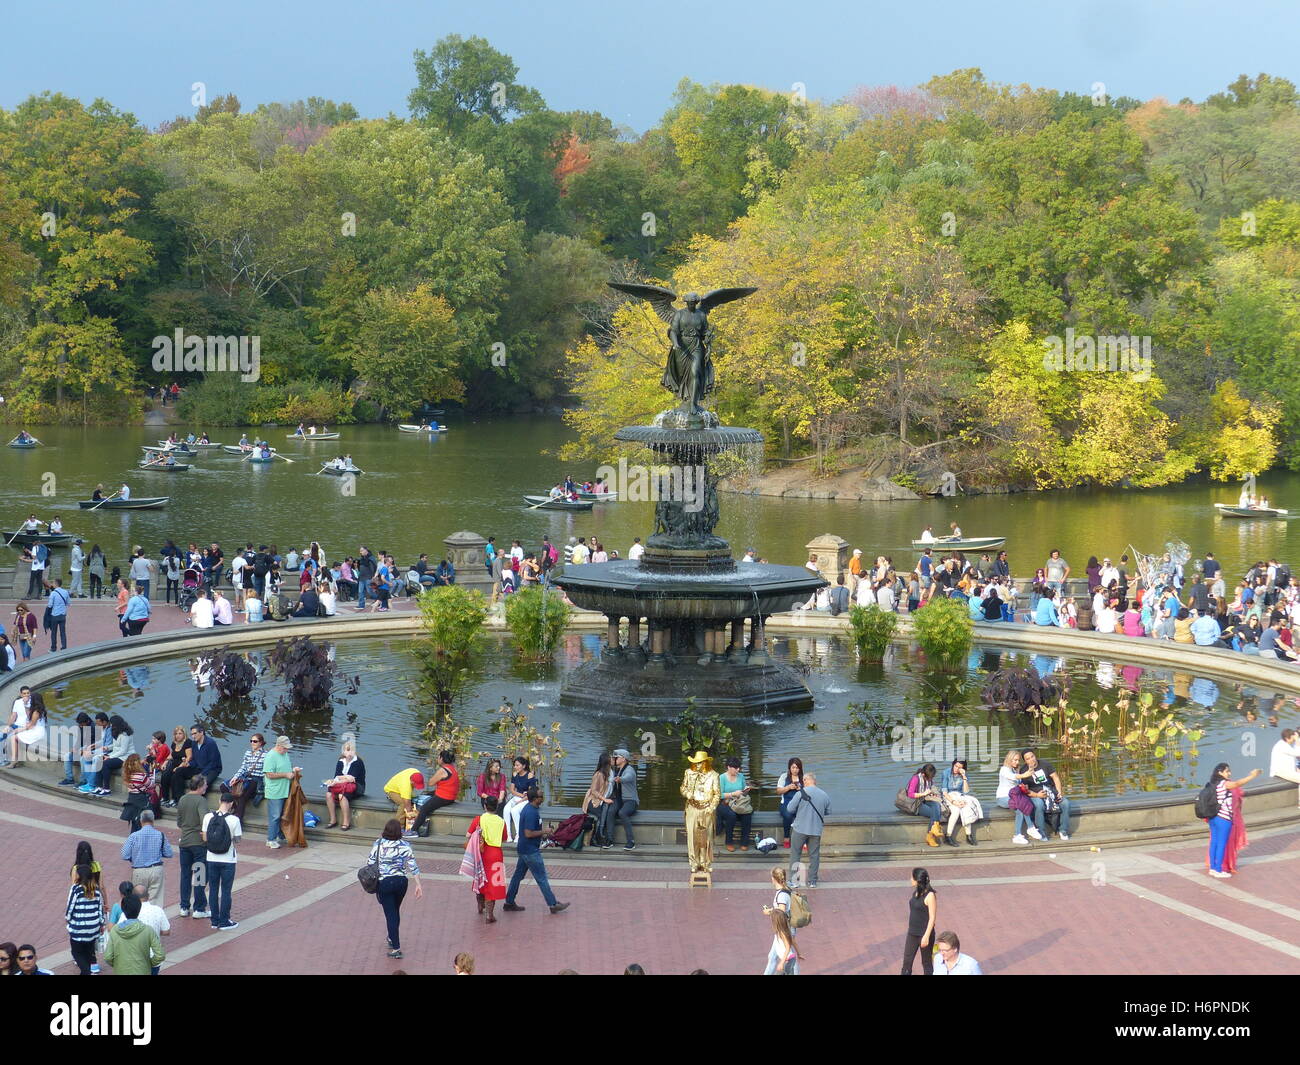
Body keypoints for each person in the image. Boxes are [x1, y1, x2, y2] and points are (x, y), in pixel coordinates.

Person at [502, 787, 570, 915]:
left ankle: (509, 902)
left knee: (518, 877)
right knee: (541, 877)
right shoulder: (531, 812)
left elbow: (531, 831)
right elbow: (528, 833)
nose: (542, 798)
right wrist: (545, 831)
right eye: (540, 796)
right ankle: (553, 904)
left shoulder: (531, 809)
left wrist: (543, 833)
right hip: (530, 851)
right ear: (535, 799)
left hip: (524, 849)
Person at [369, 819, 423, 959]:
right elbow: (412, 866)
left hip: (384, 882)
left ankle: (396, 947)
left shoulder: (378, 844)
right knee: (395, 910)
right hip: (401, 882)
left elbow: (370, 862)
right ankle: (392, 937)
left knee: (390, 914)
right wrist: (418, 884)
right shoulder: (405, 845)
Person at [1205, 762, 1260, 878]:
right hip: (1223, 818)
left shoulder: (1212, 784)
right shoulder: (1224, 783)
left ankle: (1213, 868)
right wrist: (1252, 776)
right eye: (1227, 771)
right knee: (1221, 844)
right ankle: (1219, 869)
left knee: (1214, 843)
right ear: (1220, 772)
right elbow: (1237, 783)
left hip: (1213, 818)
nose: (1229, 773)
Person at [202, 790, 242, 929]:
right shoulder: (234, 820)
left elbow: (205, 838)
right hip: (228, 860)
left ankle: (214, 920)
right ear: (231, 804)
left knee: (213, 889)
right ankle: (225, 921)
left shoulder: (208, 817)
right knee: (226, 890)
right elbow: (237, 840)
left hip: (211, 857)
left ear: (220, 801)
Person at [465, 796, 507, 923]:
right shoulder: (501, 821)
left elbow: (468, 835)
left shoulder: (479, 819)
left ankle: (480, 904)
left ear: (484, 806)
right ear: (497, 807)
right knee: (493, 882)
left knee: (480, 877)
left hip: (481, 853)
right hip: (496, 853)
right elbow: (504, 838)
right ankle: (489, 915)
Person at [103, 892, 166, 975]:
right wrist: (148, 964)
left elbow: (108, 957)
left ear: (123, 909)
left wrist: (118, 965)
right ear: (139, 908)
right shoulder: (147, 930)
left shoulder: (115, 931)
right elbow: (160, 955)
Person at [175, 775, 211, 920]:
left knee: (185, 875)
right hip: (198, 844)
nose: (207, 787)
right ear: (200, 785)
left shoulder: (183, 799)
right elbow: (205, 821)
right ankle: (199, 908)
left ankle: (184, 907)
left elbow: (179, 822)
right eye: (206, 785)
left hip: (184, 843)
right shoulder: (201, 801)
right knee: (199, 876)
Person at [786, 771, 830, 887]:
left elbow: (790, 809)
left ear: (806, 780)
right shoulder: (824, 795)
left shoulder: (801, 793)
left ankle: (794, 881)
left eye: (803, 780)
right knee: (814, 856)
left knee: (796, 854)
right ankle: (812, 881)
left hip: (800, 828)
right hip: (816, 830)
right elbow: (828, 812)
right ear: (815, 781)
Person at [681, 751, 721, 875]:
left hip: (707, 809)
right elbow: (683, 787)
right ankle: (694, 863)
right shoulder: (688, 773)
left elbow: (717, 794)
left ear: (705, 762)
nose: (697, 765)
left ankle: (705, 863)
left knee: (706, 838)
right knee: (692, 837)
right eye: (695, 763)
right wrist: (688, 794)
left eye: (699, 763)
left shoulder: (714, 775)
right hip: (692, 808)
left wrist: (712, 807)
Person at [121, 810, 173, 905]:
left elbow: (124, 855)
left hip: (139, 870)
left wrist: (134, 857)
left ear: (141, 821)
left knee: (138, 900)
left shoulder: (134, 836)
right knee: (156, 901)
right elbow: (169, 853)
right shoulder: (160, 835)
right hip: (156, 869)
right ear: (153, 820)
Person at [1022, 749, 1073, 841]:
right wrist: (1037, 795)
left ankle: (1063, 830)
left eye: (1032, 756)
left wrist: (1059, 792)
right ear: (1025, 761)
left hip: (1050, 792)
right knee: (1039, 804)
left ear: (1035, 756)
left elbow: (1056, 778)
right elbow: (1025, 790)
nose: (1031, 760)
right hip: (1035, 794)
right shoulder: (1023, 770)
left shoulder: (1045, 764)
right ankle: (1041, 831)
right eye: (1028, 759)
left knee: (1065, 803)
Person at [65, 864, 105, 975]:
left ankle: (86, 972)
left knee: (76, 953)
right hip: (93, 929)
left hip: (78, 929)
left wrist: (67, 919)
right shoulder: (96, 890)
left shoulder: (76, 889)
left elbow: (70, 907)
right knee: (88, 953)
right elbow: (100, 908)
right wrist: (101, 923)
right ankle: (86, 971)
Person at [408, 749, 459, 838]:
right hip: (451, 796)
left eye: (438, 757)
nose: (437, 759)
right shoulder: (452, 768)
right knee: (427, 794)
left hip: (444, 797)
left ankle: (413, 831)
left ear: (441, 759)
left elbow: (431, 783)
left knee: (424, 809)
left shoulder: (442, 770)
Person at [996, 750, 1042, 845]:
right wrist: (1025, 774)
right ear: (1009, 759)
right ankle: (1030, 827)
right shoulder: (1004, 769)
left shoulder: (1014, 769)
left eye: (1018, 760)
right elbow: (1013, 777)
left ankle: (1018, 835)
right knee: (1020, 804)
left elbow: (1018, 782)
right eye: (1015, 760)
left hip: (1015, 797)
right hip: (1003, 798)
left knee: (1021, 807)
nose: (1017, 762)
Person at [262, 735, 298, 848]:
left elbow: (285, 768)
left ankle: (281, 836)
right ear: (278, 745)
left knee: (283, 814)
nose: (286, 750)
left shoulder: (285, 754)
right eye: (285, 748)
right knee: (275, 816)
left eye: (287, 748)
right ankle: (270, 839)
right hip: (275, 791)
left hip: (284, 789)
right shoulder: (271, 756)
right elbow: (269, 774)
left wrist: (293, 770)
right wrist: (285, 775)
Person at [901, 867, 938, 975]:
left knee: (926, 963)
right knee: (907, 963)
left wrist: (926, 936)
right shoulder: (916, 892)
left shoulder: (930, 895)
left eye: (911, 877)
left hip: (924, 934)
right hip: (912, 933)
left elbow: (932, 917)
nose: (910, 879)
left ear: (917, 879)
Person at [940, 758, 983, 846]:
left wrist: (964, 777)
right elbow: (944, 792)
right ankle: (948, 836)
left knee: (966, 808)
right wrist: (954, 802)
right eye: (955, 766)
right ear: (953, 764)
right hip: (948, 796)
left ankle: (968, 835)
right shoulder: (946, 772)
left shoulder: (963, 775)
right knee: (956, 811)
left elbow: (966, 791)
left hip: (960, 796)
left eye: (959, 767)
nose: (956, 769)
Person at [324, 739, 365, 830]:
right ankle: (333, 819)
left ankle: (346, 822)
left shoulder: (358, 762)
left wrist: (340, 778)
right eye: (347, 750)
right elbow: (337, 776)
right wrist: (340, 779)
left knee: (342, 796)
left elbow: (352, 779)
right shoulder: (340, 761)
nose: (350, 752)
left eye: (352, 750)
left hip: (357, 786)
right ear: (343, 751)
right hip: (342, 785)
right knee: (328, 794)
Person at [902, 763, 945, 846]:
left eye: (932, 777)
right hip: (916, 803)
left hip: (925, 799)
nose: (930, 779)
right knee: (935, 813)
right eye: (929, 778)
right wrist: (924, 793)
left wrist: (932, 794)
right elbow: (910, 794)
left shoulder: (929, 779)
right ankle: (931, 835)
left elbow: (929, 789)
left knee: (936, 805)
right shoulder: (916, 779)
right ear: (923, 774)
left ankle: (933, 830)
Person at [718, 756, 754, 851]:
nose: (738, 770)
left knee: (747, 814)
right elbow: (719, 795)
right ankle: (729, 842)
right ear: (729, 767)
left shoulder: (741, 776)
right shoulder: (722, 777)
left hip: (738, 802)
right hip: (725, 803)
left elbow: (743, 791)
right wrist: (732, 794)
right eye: (735, 768)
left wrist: (746, 790)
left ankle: (744, 842)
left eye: (739, 768)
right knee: (731, 815)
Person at [4, 689, 47, 766]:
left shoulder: (37, 711)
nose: (29, 698)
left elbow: (31, 725)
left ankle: (14, 760)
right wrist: (25, 704)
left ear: (34, 700)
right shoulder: (38, 709)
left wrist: (19, 729)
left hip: (37, 732)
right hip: (35, 729)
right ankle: (13, 759)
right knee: (13, 735)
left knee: (14, 737)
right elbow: (29, 718)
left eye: (31, 698)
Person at [580, 753, 614, 848]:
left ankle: (599, 836)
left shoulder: (611, 772)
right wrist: (605, 799)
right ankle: (595, 838)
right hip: (593, 801)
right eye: (611, 758)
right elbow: (594, 791)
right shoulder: (598, 774)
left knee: (606, 813)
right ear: (606, 761)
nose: (613, 759)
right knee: (601, 815)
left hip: (603, 801)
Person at [610, 748, 638, 850]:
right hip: (620, 800)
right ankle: (608, 839)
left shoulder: (629, 769)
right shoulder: (618, 769)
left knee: (622, 813)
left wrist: (620, 779)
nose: (615, 759)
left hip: (631, 800)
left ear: (624, 759)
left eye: (616, 758)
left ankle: (631, 841)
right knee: (610, 811)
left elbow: (629, 777)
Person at [776, 757, 804, 847]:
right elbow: (778, 791)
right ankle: (786, 837)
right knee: (788, 816)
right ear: (789, 768)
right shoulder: (784, 776)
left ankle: (803, 840)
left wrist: (801, 790)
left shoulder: (804, 778)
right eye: (793, 768)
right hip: (786, 803)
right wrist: (788, 787)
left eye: (797, 768)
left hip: (800, 804)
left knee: (804, 815)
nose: (795, 770)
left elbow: (809, 793)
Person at [1269, 728, 1300, 805]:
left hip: (1286, 771)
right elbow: (1297, 753)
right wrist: (1297, 740)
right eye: (1293, 738)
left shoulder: (1284, 744)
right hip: (1281, 772)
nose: (1294, 740)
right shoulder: (1282, 746)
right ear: (1287, 738)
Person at [766, 908, 801, 975]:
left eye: (772, 919)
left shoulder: (782, 933)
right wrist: (799, 954)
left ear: (776, 922)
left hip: (787, 961)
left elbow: (788, 948)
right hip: (791, 959)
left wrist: (781, 963)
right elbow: (794, 942)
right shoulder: (785, 929)